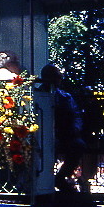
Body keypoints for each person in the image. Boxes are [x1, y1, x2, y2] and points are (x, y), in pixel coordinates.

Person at [40, 64, 87, 192]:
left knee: (78, 145)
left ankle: (60, 178)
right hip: (43, 136)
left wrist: (76, 128)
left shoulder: (66, 97)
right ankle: (44, 183)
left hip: (65, 134)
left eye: (59, 77)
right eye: (57, 77)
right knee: (48, 147)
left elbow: (76, 114)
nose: (60, 79)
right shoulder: (38, 95)